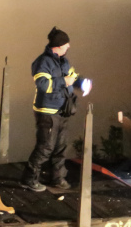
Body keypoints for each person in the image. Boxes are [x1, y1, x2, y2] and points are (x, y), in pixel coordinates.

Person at [21, 27, 92, 191]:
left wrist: (81, 83)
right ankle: (28, 179)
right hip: (47, 112)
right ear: (59, 45)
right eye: (66, 44)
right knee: (45, 147)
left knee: (60, 147)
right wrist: (64, 82)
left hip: (62, 111)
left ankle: (57, 178)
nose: (69, 47)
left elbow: (71, 77)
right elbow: (43, 84)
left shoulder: (63, 61)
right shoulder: (43, 62)